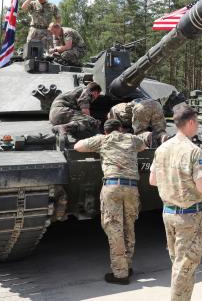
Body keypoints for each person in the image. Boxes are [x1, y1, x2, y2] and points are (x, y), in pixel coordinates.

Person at [149, 104, 202, 301]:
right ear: (191, 122)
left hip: (168, 213)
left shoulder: (162, 149)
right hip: (188, 216)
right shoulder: (193, 151)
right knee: (185, 266)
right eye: (197, 122)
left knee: (178, 263)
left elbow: (153, 180)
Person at [74, 118, 147, 284]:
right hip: (131, 188)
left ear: (105, 131)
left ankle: (120, 274)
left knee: (114, 228)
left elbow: (77, 146)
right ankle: (127, 266)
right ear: (120, 128)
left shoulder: (102, 139)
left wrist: (98, 139)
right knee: (129, 227)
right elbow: (143, 146)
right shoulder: (131, 138)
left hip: (112, 187)